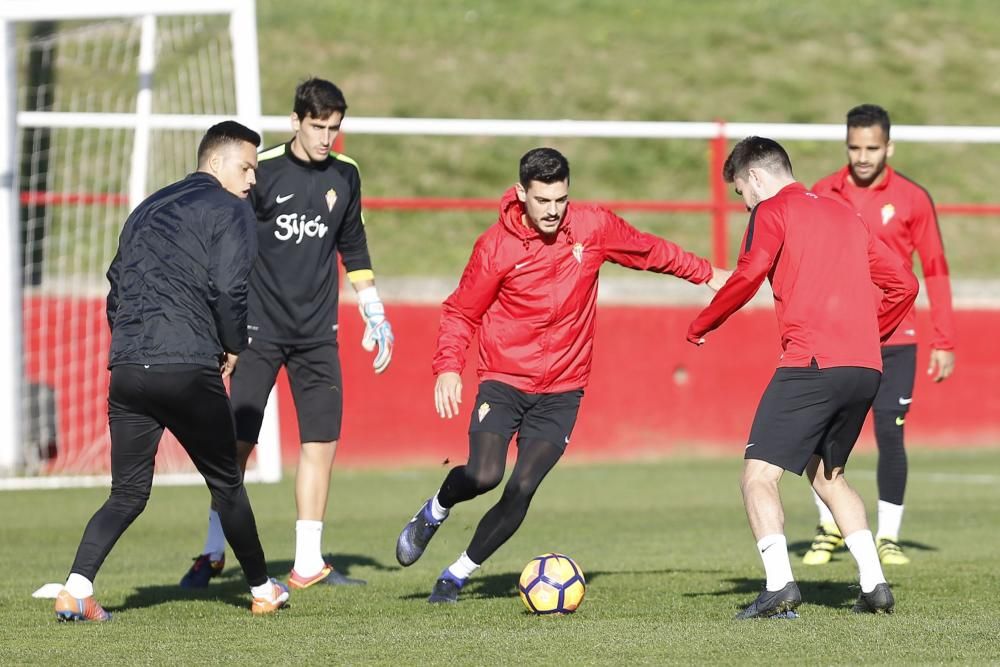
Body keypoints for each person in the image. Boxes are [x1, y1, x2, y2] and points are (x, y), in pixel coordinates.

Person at [394, 147, 729, 603]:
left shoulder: (593, 227)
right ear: (521, 195)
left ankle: (456, 574)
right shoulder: (496, 248)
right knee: (485, 474)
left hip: (563, 389)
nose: (552, 211)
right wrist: (448, 368)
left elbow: (649, 250)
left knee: (523, 487)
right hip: (505, 379)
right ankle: (436, 508)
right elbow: (460, 312)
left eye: (560, 200)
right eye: (542, 200)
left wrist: (706, 273)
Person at [55, 121, 289, 622]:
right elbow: (229, 290)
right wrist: (232, 345)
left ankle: (76, 587)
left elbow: (116, 286)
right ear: (215, 162)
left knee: (127, 493)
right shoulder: (230, 210)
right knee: (227, 483)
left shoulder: (146, 208)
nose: (252, 180)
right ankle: (264, 589)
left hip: (127, 369)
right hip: (183, 367)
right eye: (247, 167)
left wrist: (130, 341)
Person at [687, 136, 918, 619]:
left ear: (754, 177)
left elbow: (749, 275)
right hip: (865, 368)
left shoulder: (771, 212)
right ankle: (875, 586)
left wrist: (703, 322)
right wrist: (866, 337)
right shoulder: (844, 214)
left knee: (757, 476)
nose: (743, 203)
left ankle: (777, 586)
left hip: (812, 365)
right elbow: (905, 284)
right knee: (828, 475)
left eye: (740, 192)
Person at [180, 78, 392, 590]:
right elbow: (230, 247)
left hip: (319, 334)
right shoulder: (263, 172)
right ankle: (212, 551)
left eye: (334, 128)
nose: (326, 137)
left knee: (320, 443)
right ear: (295, 121)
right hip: (257, 333)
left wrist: (373, 307)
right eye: (317, 126)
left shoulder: (346, 174)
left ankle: (307, 563)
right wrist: (218, 327)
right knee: (235, 446)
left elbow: (353, 243)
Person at [803, 104, 956, 567]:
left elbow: (935, 270)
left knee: (890, 433)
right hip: (838, 339)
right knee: (822, 435)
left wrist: (944, 340)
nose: (863, 156)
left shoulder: (912, 198)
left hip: (897, 340)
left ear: (889, 146)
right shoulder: (822, 192)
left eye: (872, 147)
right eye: (854, 147)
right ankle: (829, 527)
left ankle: (888, 536)